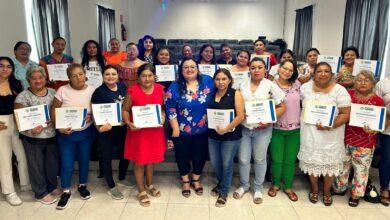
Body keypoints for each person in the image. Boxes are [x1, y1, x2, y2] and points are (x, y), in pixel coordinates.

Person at [233, 57, 286, 204]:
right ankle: (244, 185)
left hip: (262, 130)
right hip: (244, 128)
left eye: (259, 67)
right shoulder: (242, 84)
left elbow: (282, 107)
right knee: (243, 159)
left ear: (265, 70)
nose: (256, 70)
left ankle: (258, 188)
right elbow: (237, 104)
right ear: (249, 70)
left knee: (260, 159)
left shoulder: (270, 85)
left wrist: (269, 120)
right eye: (253, 67)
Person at [298, 62, 351, 206]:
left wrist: (330, 125)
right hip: (310, 132)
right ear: (314, 74)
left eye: (326, 71)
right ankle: (314, 189)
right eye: (319, 71)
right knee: (312, 161)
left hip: (332, 134)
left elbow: (346, 114)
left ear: (332, 74)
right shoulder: (305, 88)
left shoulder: (340, 90)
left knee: (330, 164)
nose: (323, 74)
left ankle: (327, 191)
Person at [332, 70, 384, 207]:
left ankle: (356, 194)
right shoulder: (348, 95)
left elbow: (382, 121)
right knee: (342, 167)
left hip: (365, 142)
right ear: (354, 82)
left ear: (373, 83)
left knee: (361, 170)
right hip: (345, 138)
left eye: (366, 80)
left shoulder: (378, 101)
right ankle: (339, 188)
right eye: (359, 80)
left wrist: (376, 129)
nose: (362, 83)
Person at [165, 58, 214, 197]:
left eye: (192, 66)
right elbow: (170, 108)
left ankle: (196, 179)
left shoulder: (208, 81)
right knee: (182, 155)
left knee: (200, 155)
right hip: (181, 129)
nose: (189, 69)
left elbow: (221, 91)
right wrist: (174, 127)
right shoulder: (174, 86)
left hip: (203, 128)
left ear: (197, 68)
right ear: (181, 70)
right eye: (186, 67)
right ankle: (185, 180)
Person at [14, 66, 61, 205]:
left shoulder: (53, 92)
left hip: (51, 135)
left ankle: (52, 186)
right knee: (36, 166)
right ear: (28, 80)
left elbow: (59, 111)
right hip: (33, 138)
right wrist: (30, 131)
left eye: (40, 77)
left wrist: (56, 121)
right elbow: (19, 120)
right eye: (33, 78)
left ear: (45, 78)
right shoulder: (22, 96)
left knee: (51, 164)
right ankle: (40, 193)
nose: (38, 81)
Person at [51, 64, 95, 209]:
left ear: (85, 74)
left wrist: (92, 118)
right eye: (74, 76)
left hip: (85, 132)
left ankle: (82, 185)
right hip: (66, 135)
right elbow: (54, 110)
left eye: (80, 74)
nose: (78, 78)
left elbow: (96, 110)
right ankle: (66, 190)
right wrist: (59, 126)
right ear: (69, 78)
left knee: (84, 160)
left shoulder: (92, 89)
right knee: (67, 163)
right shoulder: (62, 90)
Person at [122, 63, 166, 206]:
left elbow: (163, 109)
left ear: (154, 76)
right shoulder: (132, 91)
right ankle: (141, 190)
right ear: (138, 77)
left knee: (151, 159)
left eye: (150, 75)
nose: (147, 79)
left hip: (154, 131)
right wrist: (128, 122)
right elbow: (125, 110)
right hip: (138, 132)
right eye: (143, 76)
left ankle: (150, 184)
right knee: (140, 161)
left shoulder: (160, 89)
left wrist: (163, 117)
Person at [208, 68, 245, 207]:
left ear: (229, 80)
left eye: (224, 79)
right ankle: (221, 183)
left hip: (231, 136)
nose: (221, 82)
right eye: (217, 79)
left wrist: (226, 129)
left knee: (226, 164)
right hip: (213, 135)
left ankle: (223, 192)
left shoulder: (236, 94)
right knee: (215, 163)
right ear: (214, 81)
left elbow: (240, 116)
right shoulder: (212, 94)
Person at [91, 65, 127, 200]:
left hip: (122, 128)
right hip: (106, 130)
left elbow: (127, 106)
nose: (111, 76)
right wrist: (99, 127)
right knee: (107, 157)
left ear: (118, 75)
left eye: (113, 74)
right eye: (107, 74)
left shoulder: (123, 87)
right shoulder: (99, 92)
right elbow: (95, 113)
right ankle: (111, 186)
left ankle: (122, 178)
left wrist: (126, 120)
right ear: (103, 76)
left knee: (125, 154)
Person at [268, 60, 300, 202]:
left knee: (290, 160)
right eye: (284, 68)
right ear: (278, 68)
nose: (287, 72)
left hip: (295, 129)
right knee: (276, 159)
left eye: (290, 70)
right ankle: (275, 184)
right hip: (276, 128)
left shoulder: (298, 84)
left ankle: (287, 186)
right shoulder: (270, 85)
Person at [0, 57, 29, 206]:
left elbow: (22, 102)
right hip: (1, 124)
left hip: (17, 121)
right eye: (1, 66)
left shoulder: (17, 83)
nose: (5, 69)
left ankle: (25, 184)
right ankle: (9, 192)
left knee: (21, 155)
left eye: (8, 66)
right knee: (5, 160)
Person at [375, 75, 390, 206]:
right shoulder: (383, 84)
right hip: (387, 129)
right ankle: (385, 187)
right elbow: (376, 105)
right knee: (387, 158)